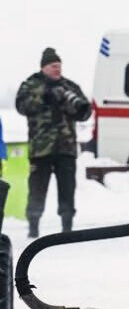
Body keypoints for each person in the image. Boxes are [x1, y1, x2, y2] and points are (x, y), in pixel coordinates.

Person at [15, 49, 91, 237]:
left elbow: (84, 112)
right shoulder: (31, 85)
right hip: (41, 149)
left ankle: (67, 228)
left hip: (66, 148)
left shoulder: (69, 86)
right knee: (37, 189)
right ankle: (33, 227)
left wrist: (76, 106)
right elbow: (21, 106)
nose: (57, 69)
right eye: (53, 66)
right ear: (44, 67)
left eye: (59, 66)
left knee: (67, 189)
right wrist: (44, 97)